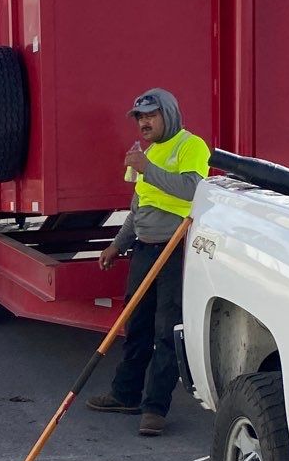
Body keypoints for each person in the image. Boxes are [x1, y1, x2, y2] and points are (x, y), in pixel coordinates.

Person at [86, 88, 210, 436]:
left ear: (167, 114)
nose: (144, 122)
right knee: (136, 324)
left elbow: (192, 190)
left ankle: (155, 408)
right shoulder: (147, 153)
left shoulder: (191, 146)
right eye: (139, 117)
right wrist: (117, 244)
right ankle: (125, 394)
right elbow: (138, 206)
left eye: (151, 115)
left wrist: (148, 167)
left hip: (176, 251)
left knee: (166, 330)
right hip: (144, 248)